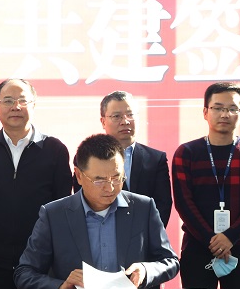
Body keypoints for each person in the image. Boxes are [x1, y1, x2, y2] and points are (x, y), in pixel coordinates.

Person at [14, 134, 179, 289]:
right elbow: (24, 273)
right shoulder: (54, 215)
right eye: (99, 180)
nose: (110, 188)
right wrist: (62, 287)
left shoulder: (144, 208)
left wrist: (145, 270)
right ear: (79, 176)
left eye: (117, 178)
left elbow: (170, 262)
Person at [0, 79, 72, 289]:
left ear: (34, 105)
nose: (16, 107)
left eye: (23, 100)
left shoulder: (55, 150)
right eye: (8, 101)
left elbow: (63, 208)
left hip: (40, 258)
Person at [172, 82, 240, 289]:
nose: (225, 114)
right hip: (197, 246)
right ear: (205, 112)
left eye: (233, 108)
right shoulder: (186, 153)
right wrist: (212, 240)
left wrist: (230, 237)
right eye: (217, 108)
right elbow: (184, 203)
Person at [73, 91, 172, 227]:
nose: (125, 122)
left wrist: (147, 234)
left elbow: (163, 204)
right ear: (103, 121)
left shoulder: (155, 159)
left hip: (143, 235)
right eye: (116, 116)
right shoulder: (87, 157)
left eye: (130, 115)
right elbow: (82, 200)